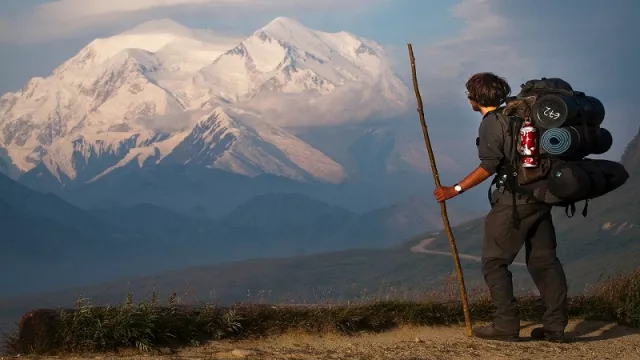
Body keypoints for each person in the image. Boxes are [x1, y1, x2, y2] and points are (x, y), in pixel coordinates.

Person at [433, 72, 568, 342]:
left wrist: (455, 190)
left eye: (470, 94)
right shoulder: (521, 114)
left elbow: (489, 166)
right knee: (544, 261)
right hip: (541, 195)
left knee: (494, 262)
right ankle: (555, 327)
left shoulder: (492, 123)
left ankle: (506, 325)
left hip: (514, 201)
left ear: (475, 99)